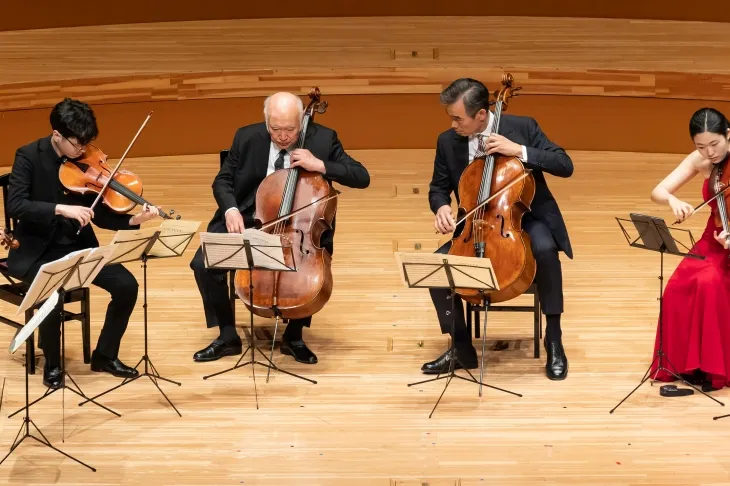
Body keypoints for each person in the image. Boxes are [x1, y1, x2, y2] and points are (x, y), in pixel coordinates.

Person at [190, 91, 370, 364]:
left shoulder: (323, 139)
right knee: (203, 264)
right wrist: (230, 210)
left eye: (290, 129)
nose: (283, 136)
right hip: (248, 219)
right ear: (266, 122)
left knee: (310, 269)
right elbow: (222, 181)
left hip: (301, 227)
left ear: (301, 122)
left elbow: (362, 177)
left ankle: (294, 337)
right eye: (275, 129)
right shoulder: (246, 137)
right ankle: (227, 336)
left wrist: (320, 165)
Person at [6, 98, 160, 389]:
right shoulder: (28, 156)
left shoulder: (87, 160)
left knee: (126, 286)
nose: (83, 150)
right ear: (57, 135)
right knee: (52, 294)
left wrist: (134, 220)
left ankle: (105, 355)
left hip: (79, 246)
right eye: (77, 144)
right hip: (38, 248)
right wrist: (60, 209)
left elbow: (99, 213)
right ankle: (53, 363)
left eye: (87, 142)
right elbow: (16, 205)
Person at [425, 78, 573, 380]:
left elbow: (564, 164)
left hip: (524, 216)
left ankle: (554, 339)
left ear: (481, 114)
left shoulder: (523, 127)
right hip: (475, 224)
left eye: (458, 118)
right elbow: (438, 188)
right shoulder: (447, 141)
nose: (453, 124)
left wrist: (519, 150)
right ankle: (461, 348)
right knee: (436, 268)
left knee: (545, 250)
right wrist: (441, 207)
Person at [649, 107, 730, 391]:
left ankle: (713, 367)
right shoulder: (703, 159)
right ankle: (688, 365)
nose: (710, 152)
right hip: (714, 238)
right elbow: (658, 191)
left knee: (709, 283)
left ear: (728, 134)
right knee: (675, 289)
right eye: (701, 146)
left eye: (715, 144)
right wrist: (672, 200)